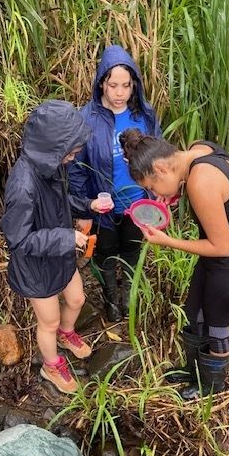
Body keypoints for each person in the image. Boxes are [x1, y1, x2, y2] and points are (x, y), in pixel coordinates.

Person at [119, 129, 229, 401]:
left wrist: (167, 241)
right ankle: (194, 370)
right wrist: (175, 191)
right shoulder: (199, 150)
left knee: (217, 328)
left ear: (160, 168)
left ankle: (212, 388)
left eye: (152, 186)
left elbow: (222, 246)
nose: (154, 193)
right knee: (194, 314)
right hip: (216, 261)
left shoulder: (199, 181)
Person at [0, 100, 114, 393]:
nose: (75, 156)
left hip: (58, 254)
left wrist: (89, 205)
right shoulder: (23, 186)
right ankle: (52, 365)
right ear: (53, 147)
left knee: (76, 299)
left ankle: (67, 334)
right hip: (36, 266)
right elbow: (18, 240)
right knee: (47, 321)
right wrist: (66, 238)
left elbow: (62, 203)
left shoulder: (51, 166)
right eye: (72, 151)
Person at [69, 45, 162, 322]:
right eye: (113, 85)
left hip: (138, 203)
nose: (120, 93)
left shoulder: (144, 115)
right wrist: (86, 207)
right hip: (103, 206)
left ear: (134, 85)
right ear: (101, 84)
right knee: (106, 253)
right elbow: (76, 168)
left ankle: (130, 298)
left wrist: (156, 196)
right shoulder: (86, 118)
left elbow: (157, 158)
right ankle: (111, 298)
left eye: (126, 85)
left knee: (133, 251)